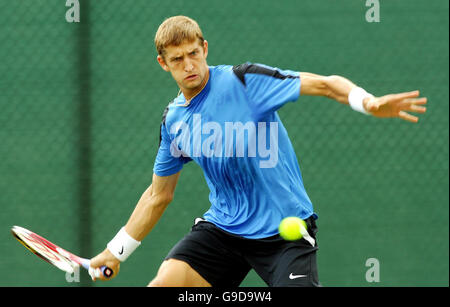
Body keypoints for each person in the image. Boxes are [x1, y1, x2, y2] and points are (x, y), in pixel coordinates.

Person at [90, 15, 427, 287]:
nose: (189, 64)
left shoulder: (245, 81)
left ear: (205, 48)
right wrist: (116, 252)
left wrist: (369, 103)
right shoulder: (174, 121)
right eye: (177, 59)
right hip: (223, 230)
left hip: (285, 231)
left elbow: (326, 84)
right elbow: (157, 196)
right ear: (163, 64)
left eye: (194, 53)